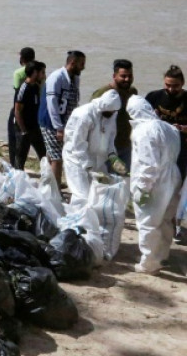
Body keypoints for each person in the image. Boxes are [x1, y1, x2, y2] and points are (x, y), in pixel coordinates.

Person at [127, 95, 182, 274]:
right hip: (173, 176)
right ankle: (161, 255)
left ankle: (149, 263)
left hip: (156, 181)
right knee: (166, 218)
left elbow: (148, 164)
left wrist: (142, 188)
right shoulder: (169, 128)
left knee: (147, 221)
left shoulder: (143, 130)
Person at [144, 65, 187, 245]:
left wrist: (184, 129)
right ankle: (156, 220)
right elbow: (143, 123)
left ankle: (178, 225)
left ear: (183, 84)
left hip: (182, 152)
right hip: (160, 153)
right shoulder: (154, 97)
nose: (171, 89)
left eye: (175, 86)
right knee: (158, 186)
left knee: (179, 190)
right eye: (168, 85)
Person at [62, 90, 123, 208]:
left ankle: (93, 220)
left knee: (99, 192)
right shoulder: (85, 114)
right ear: (103, 107)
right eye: (109, 112)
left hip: (97, 158)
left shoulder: (112, 114)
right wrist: (89, 167)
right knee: (82, 195)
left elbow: (110, 137)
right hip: (76, 158)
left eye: (113, 112)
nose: (111, 114)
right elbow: (78, 144)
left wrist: (113, 157)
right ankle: (78, 222)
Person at [39, 50, 86, 185]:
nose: (83, 67)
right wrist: (58, 127)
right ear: (72, 63)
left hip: (65, 122)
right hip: (50, 122)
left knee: (53, 154)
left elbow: (74, 100)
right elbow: (51, 104)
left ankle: (48, 183)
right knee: (57, 158)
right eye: (81, 64)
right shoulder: (57, 77)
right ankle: (56, 192)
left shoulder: (75, 78)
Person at [91, 59, 137, 168]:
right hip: (106, 147)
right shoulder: (102, 93)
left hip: (126, 144)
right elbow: (91, 119)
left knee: (126, 178)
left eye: (130, 76)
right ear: (114, 76)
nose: (127, 79)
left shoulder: (133, 92)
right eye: (123, 76)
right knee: (107, 181)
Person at [13, 61, 47, 170]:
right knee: (21, 157)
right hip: (24, 128)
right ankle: (17, 179)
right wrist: (23, 131)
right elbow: (17, 111)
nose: (44, 75)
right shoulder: (24, 88)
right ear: (35, 73)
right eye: (42, 72)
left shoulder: (36, 87)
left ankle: (48, 178)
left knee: (44, 154)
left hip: (35, 127)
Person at [8, 47, 35, 165]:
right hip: (34, 108)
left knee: (14, 138)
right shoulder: (39, 72)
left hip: (19, 108)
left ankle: (15, 165)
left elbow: (17, 92)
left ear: (22, 58)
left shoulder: (18, 73)